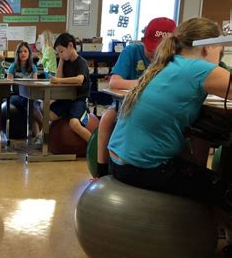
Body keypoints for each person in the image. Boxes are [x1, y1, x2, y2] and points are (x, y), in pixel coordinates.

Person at [108, 17, 232, 215]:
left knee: (202, 176)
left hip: (118, 161)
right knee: (224, 190)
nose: (220, 57)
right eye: (220, 50)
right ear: (207, 47)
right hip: (143, 168)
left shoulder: (167, 63)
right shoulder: (198, 69)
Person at [97, 17, 177, 177]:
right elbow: (114, 82)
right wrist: (146, 83)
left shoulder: (174, 59)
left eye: (159, 51)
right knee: (106, 118)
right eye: (151, 49)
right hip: (126, 103)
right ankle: (101, 171)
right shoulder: (132, 51)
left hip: (160, 108)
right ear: (143, 40)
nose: (154, 55)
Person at [49, 33, 92, 142]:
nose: (60, 54)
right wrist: (61, 60)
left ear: (70, 46)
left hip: (80, 100)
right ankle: (43, 139)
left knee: (74, 124)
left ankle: (95, 147)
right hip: (67, 99)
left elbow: (79, 80)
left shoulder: (81, 62)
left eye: (61, 51)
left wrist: (58, 80)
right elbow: (58, 78)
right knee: (48, 114)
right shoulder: (65, 61)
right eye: (58, 53)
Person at [7, 41, 43, 141]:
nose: (23, 53)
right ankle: (46, 125)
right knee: (30, 104)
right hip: (16, 96)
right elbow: (8, 84)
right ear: (17, 54)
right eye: (20, 52)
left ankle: (38, 137)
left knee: (32, 104)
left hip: (31, 95)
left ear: (29, 53)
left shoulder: (33, 68)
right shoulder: (13, 67)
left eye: (25, 51)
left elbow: (35, 85)